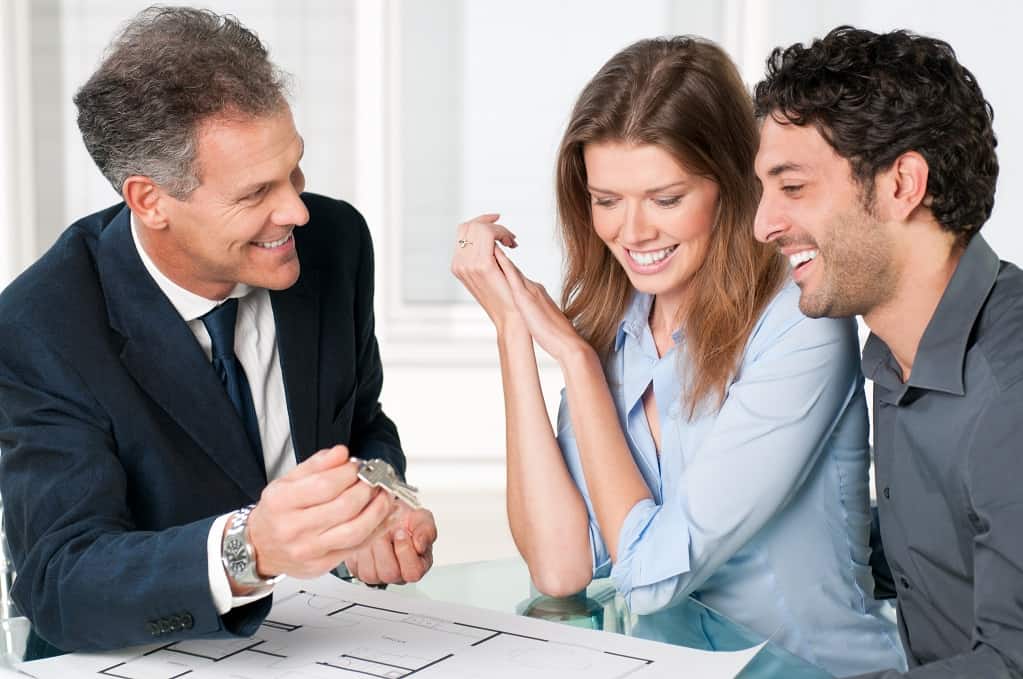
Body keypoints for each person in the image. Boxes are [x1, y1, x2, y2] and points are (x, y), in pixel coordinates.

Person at [451, 36, 903, 676]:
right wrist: (513, 333)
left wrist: (578, 367)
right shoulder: (622, 323)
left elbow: (649, 577)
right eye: (607, 200)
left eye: (666, 200)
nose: (631, 233)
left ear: (731, 185)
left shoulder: (799, 327)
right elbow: (562, 567)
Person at [0, 7, 436, 659]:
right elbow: (61, 583)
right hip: (129, 657)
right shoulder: (43, 325)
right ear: (150, 201)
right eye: (256, 191)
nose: (294, 209)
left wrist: (377, 499)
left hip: (320, 637)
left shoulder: (335, 243)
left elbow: (359, 421)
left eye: (295, 171)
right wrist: (250, 547)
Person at [753, 26, 1022, 679]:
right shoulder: (890, 356)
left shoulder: (1008, 388)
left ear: (902, 184)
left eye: (791, 187)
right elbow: (932, 551)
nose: (761, 225)